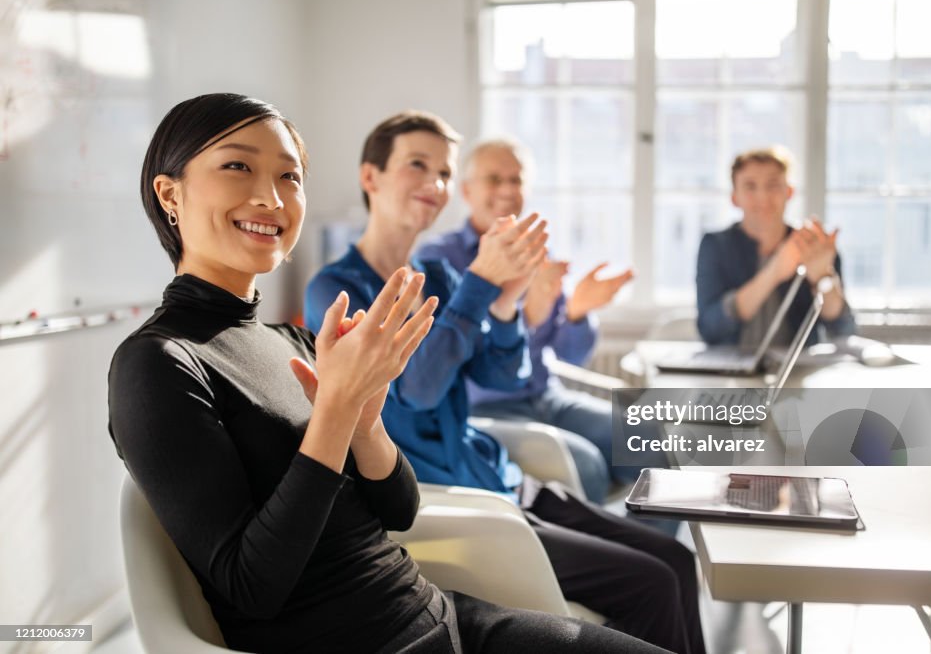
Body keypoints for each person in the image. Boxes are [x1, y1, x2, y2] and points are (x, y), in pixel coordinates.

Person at [108, 93, 670, 654]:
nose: (272, 196)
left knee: (662, 581)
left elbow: (400, 510)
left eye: (291, 176)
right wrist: (336, 411)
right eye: (237, 165)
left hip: (441, 612)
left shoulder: (293, 339)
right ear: (169, 193)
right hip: (380, 640)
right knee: (653, 581)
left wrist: (365, 420)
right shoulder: (158, 362)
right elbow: (254, 587)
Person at [305, 111, 707, 654]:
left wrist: (508, 299)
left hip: (500, 477)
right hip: (455, 502)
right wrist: (480, 287)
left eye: (443, 172)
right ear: (370, 176)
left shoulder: (442, 278)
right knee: (652, 582)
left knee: (677, 560)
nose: (435, 184)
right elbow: (413, 394)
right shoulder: (338, 288)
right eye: (417, 165)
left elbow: (502, 372)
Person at [416, 139, 651, 501]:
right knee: (587, 467)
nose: (508, 190)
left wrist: (578, 311)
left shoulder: (538, 252)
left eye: (517, 180)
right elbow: (452, 358)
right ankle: (595, 555)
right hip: (486, 408)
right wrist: (527, 316)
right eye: (494, 179)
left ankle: (648, 554)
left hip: (549, 397)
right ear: (467, 190)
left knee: (653, 443)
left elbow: (571, 356)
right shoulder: (437, 259)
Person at [696, 146, 856, 347]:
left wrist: (823, 277)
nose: (763, 197)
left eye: (773, 185)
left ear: (789, 192)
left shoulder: (813, 246)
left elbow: (844, 330)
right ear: (734, 197)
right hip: (730, 370)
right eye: (750, 186)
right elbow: (709, 329)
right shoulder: (715, 246)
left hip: (798, 371)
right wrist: (775, 271)